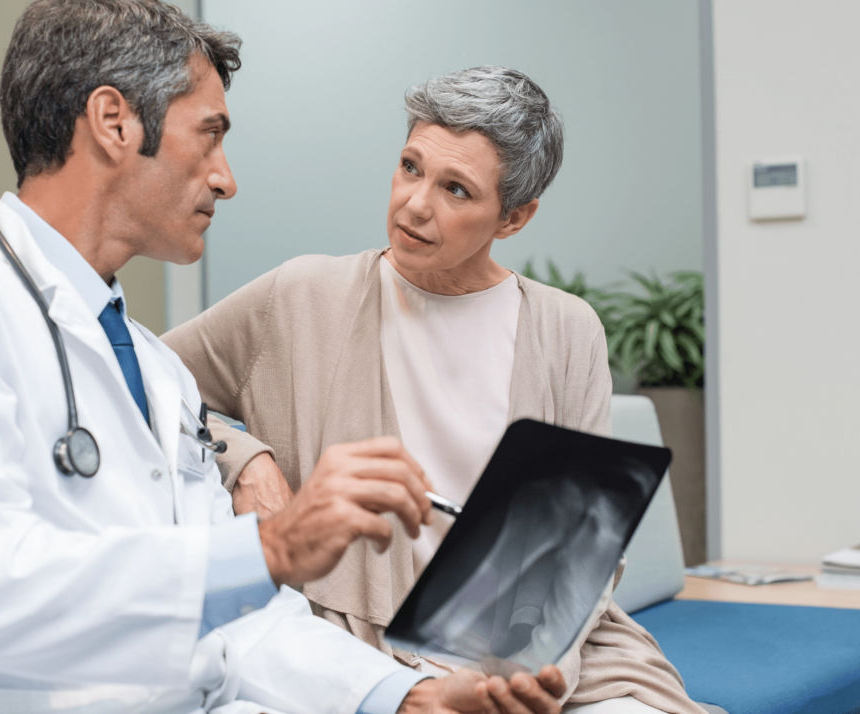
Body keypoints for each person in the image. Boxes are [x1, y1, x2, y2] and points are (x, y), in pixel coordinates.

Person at [0, 4, 567, 713]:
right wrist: (268, 548)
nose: (226, 179)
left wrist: (404, 696)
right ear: (114, 123)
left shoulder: (159, 374)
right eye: (210, 136)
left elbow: (241, 624)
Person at [163, 67, 706, 713]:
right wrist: (241, 456)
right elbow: (139, 377)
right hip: (360, 644)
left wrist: (517, 670)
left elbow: (582, 540)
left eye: (456, 189)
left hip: (536, 648)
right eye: (410, 166)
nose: (416, 203)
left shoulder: (566, 330)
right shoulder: (301, 296)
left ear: (514, 218)